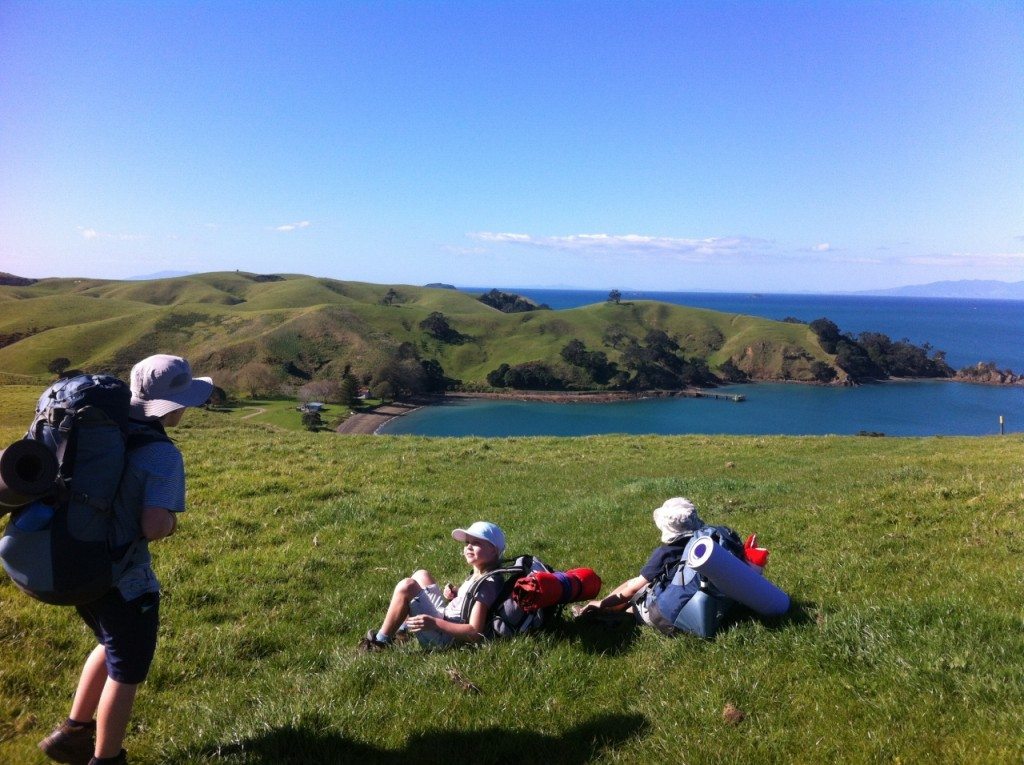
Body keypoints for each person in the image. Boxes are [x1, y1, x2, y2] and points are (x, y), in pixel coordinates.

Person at [39, 355, 212, 765]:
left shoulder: (103, 433)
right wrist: (171, 521)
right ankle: (107, 758)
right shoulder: (162, 455)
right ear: (172, 406)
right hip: (124, 577)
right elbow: (153, 524)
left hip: (79, 559)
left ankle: (73, 732)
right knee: (127, 671)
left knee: (109, 642)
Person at [360, 521, 507, 650]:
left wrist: (434, 623)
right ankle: (403, 631)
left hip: (445, 638)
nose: (468, 547)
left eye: (476, 543)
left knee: (407, 586)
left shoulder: (486, 585)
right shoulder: (480, 576)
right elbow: (470, 602)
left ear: (493, 550)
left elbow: (474, 632)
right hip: (446, 618)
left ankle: (379, 643)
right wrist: (456, 594)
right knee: (421, 575)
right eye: (467, 542)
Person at [574, 497, 704, 625]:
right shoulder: (703, 543)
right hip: (694, 596)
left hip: (668, 608)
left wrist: (600, 603)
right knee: (648, 586)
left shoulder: (666, 553)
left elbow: (632, 590)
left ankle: (608, 612)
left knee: (635, 585)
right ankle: (613, 611)